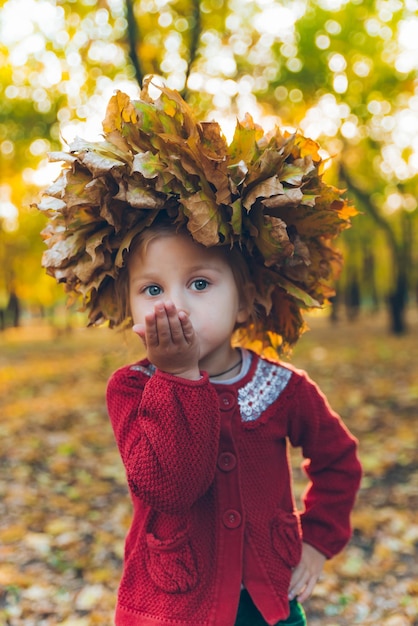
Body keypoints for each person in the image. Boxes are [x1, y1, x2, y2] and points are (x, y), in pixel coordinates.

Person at [37, 79, 362, 626]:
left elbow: (338, 461)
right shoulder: (133, 390)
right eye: (153, 290)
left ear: (244, 301)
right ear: (128, 305)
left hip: (267, 601)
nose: (177, 305)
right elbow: (170, 486)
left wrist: (317, 542)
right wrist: (180, 377)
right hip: (173, 604)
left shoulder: (284, 389)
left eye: (201, 284)